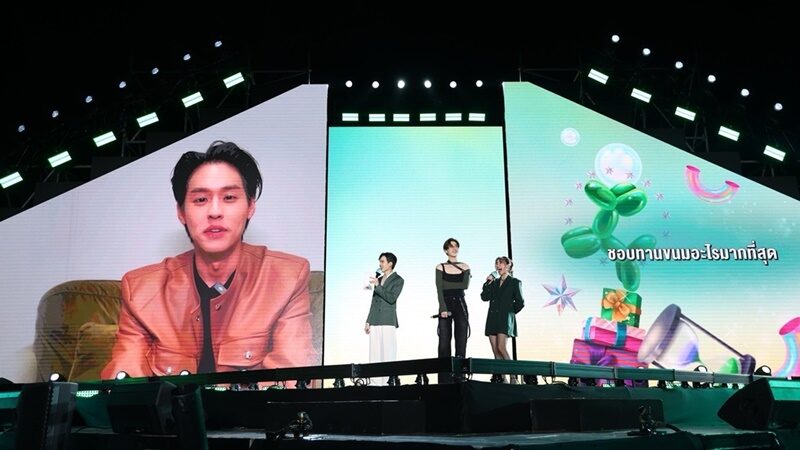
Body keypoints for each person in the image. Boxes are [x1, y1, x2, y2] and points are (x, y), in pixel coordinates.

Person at [101, 141, 316, 379]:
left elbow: (293, 380)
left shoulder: (286, 278)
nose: (214, 212)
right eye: (201, 200)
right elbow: (125, 384)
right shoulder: (141, 289)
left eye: (229, 197)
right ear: (181, 212)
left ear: (250, 207)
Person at [481, 256, 525, 384]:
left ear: (508, 266)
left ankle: (513, 377)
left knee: (501, 347)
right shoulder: (494, 282)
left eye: (500, 263)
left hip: (504, 319)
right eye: (496, 264)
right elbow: (484, 297)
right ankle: (502, 379)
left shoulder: (515, 282)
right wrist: (487, 283)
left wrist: (509, 313)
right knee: (495, 351)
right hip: (492, 318)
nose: (497, 266)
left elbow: (520, 303)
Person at [364, 252, 404, 386]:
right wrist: (368, 320)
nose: (380, 264)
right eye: (380, 261)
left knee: (388, 353)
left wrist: (378, 286)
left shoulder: (398, 280)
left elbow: (391, 298)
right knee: (374, 353)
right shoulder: (379, 279)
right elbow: (374, 302)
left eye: (382, 261)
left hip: (387, 320)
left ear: (390, 263)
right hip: (375, 320)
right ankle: (375, 383)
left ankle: (388, 383)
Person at [435, 238, 471, 383]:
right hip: (445, 303)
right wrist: (442, 307)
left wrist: (445, 283)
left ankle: (459, 375)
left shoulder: (465, 266)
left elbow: (465, 285)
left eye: (456, 246)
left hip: (461, 303)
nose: (454, 249)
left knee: (461, 338)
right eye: (451, 247)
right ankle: (444, 378)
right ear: (446, 250)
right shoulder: (440, 267)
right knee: (444, 340)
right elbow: (439, 289)